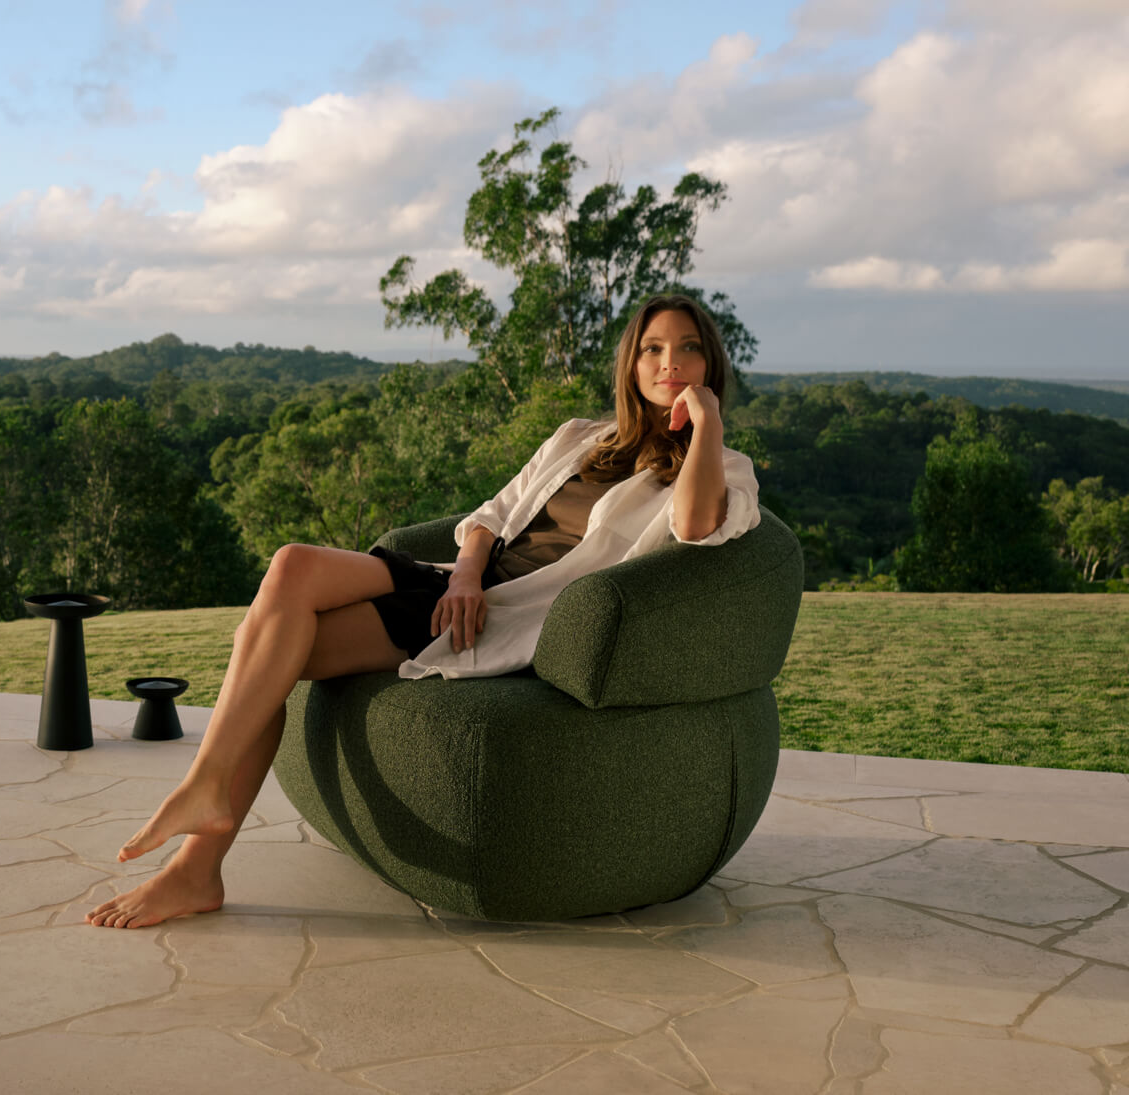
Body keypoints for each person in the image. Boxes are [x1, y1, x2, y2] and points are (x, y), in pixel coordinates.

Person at [85, 293, 760, 929]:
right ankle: (203, 802)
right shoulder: (580, 438)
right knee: (289, 566)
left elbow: (696, 524)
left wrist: (703, 422)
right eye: (652, 348)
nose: (669, 362)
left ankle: (198, 862)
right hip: (455, 583)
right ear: (630, 362)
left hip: (491, 618)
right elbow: (491, 516)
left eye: (687, 348)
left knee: (271, 652)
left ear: (711, 363)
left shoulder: (725, 469)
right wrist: (465, 571)